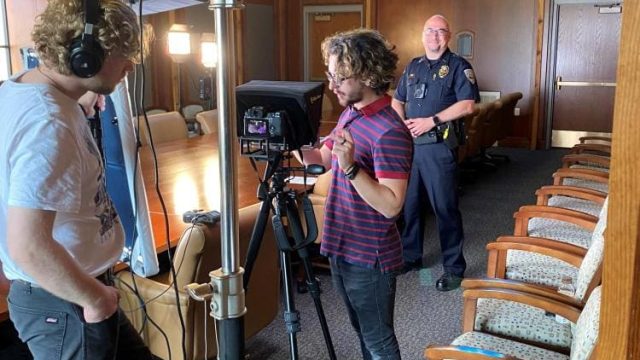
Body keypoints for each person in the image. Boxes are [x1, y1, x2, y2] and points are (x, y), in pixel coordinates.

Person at [0, 1, 154, 358]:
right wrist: (95, 299)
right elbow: (29, 245)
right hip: (65, 300)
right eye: (124, 57)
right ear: (86, 57)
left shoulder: (20, 89)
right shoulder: (48, 125)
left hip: (71, 291)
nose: (130, 67)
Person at [298, 29, 413, 359]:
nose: (332, 86)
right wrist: (289, 139)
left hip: (370, 257)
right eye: (330, 75)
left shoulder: (390, 131)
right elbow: (320, 159)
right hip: (340, 243)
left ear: (367, 74)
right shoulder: (351, 112)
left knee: (378, 341)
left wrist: (350, 168)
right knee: (362, 331)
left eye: (340, 78)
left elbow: (392, 205)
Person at [392, 14, 479, 291]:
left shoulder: (458, 66)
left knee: (445, 209)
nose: (435, 36)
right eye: (430, 31)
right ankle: (411, 257)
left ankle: (454, 268)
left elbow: (467, 105)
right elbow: (397, 100)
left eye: (441, 32)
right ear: (422, 35)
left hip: (440, 147)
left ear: (448, 36)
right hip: (412, 149)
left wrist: (432, 120)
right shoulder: (413, 67)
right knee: (411, 206)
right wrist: (401, 125)